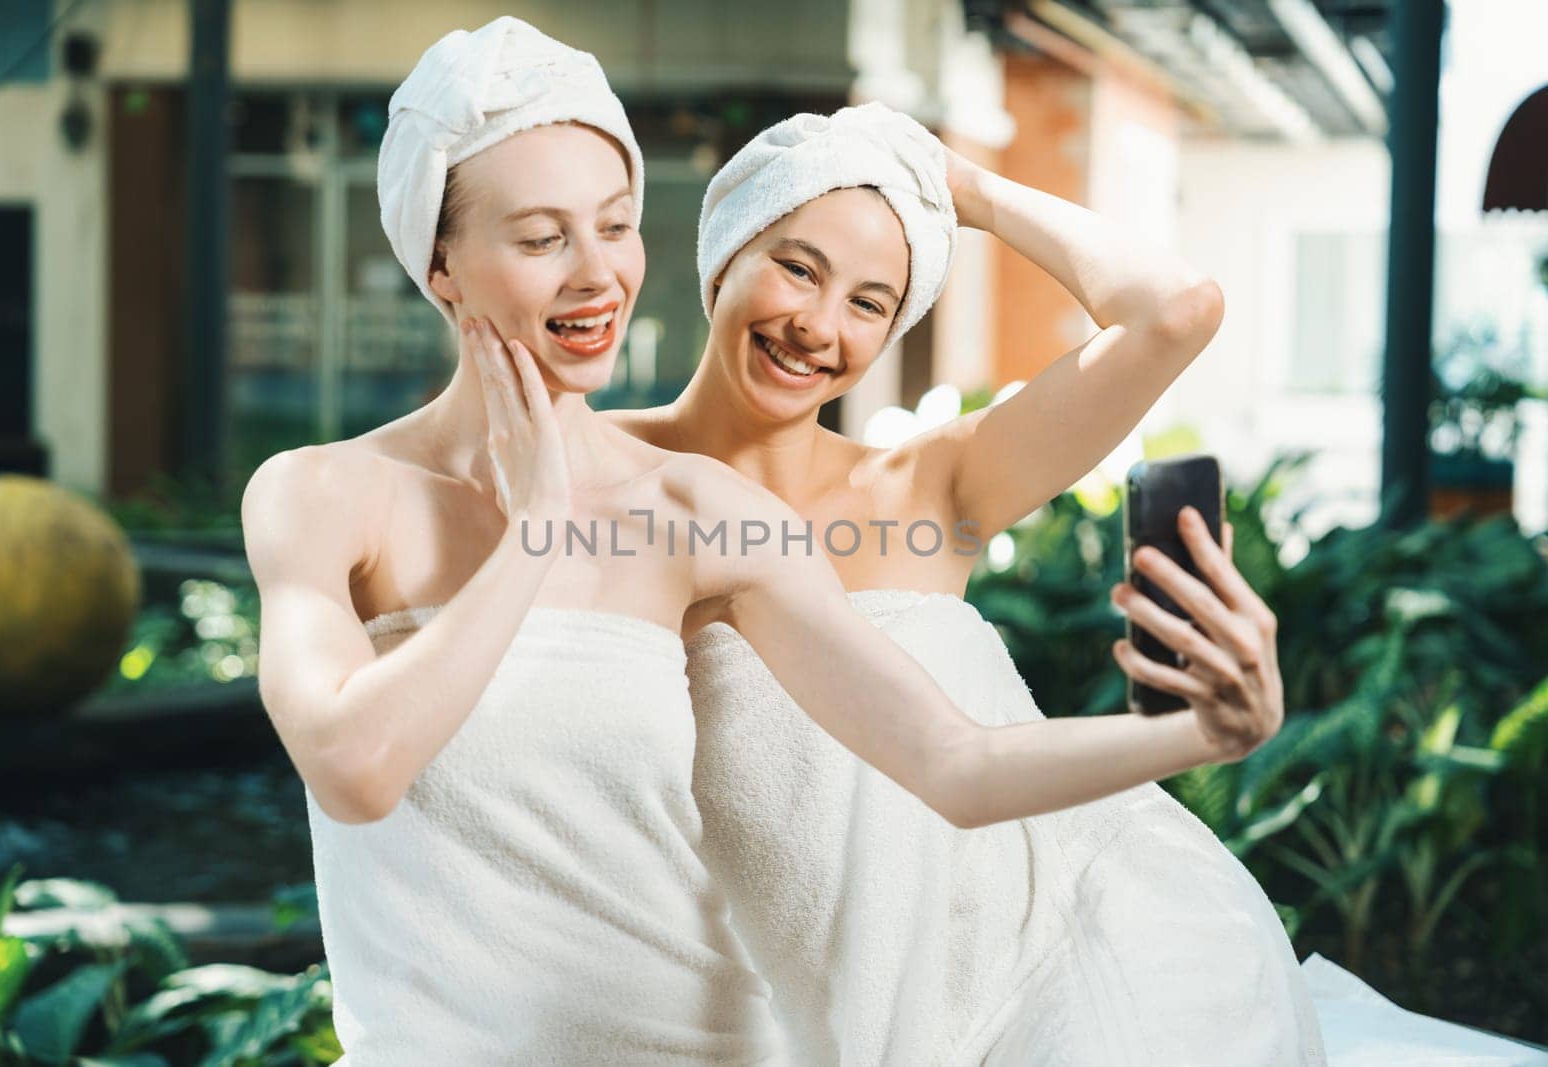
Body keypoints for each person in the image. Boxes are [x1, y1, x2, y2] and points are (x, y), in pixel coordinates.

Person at [241, 24, 1281, 1066]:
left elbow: (954, 759)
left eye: (616, 225)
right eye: (542, 235)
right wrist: (538, 526)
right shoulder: (321, 493)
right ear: (439, 260)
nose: (598, 273)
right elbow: (355, 766)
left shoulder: (718, 505)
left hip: (823, 1016)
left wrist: (1203, 731)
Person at [606, 103, 1326, 1066]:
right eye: (798, 266)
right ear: (724, 256)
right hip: (814, 1021)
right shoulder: (590, 474)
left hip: (1089, 956)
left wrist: (967, 187)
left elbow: (1177, 310)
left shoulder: (929, 483)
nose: (817, 326)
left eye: (870, 302)